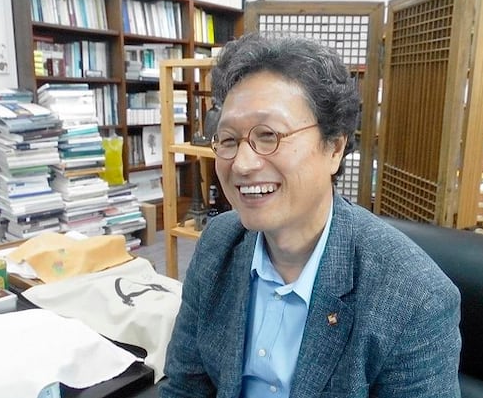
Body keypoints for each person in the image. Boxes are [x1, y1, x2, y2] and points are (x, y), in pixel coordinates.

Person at [159, 33, 461, 398]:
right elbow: (184, 388)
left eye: (268, 135)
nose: (242, 164)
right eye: (228, 140)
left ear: (334, 148)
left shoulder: (414, 298)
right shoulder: (219, 241)